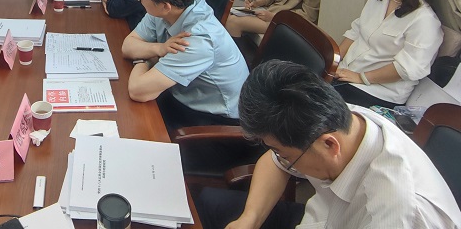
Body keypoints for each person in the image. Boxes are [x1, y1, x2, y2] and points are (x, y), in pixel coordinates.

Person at [195, 60, 461, 229]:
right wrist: (250, 219)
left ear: (330, 146)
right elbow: (276, 162)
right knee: (207, 202)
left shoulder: (401, 214)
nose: (281, 159)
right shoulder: (334, 119)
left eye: (283, 153)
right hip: (323, 217)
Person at [121, 0, 249, 127]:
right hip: (179, 92)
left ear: (165, 6)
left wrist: (143, 58)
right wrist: (159, 49)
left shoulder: (197, 40)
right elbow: (127, 46)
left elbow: (138, 91)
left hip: (213, 119)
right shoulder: (169, 5)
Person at [334, 0, 443, 109]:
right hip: (345, 74)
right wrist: (333, 61)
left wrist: (361, 77)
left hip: (377, 91)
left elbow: (406, 68)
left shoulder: (424, 20)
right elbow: (355, 31)